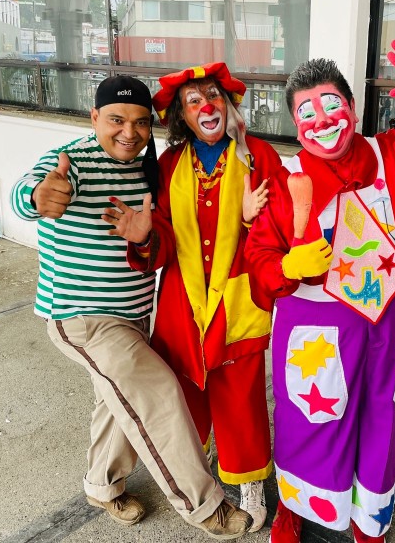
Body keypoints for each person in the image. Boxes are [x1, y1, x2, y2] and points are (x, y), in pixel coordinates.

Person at [245, 33, 395, 543]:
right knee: (313, 428)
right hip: (316, 333)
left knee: (383, 425)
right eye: (307, 112)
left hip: (388, 325)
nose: (322, 120)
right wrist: (289, 264)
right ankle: (300, 517)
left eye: (332, 104)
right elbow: (257, 263)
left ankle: (368, 525)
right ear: (294, 123)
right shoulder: (286, 182)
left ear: (352, 107)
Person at [9, 74, 253, 540]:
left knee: (116, 400)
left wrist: (147, 237)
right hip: (84, 317)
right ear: (94, 117)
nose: (129, 132)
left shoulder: (149, 167)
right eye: (117, 120)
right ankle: (205, 507)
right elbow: (31, 190)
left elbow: (160, 241)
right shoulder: (71, 163)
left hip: (138, 315)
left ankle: (101, 484)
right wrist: (38, 197)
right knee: (157, 393)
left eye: (141, 122)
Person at [104, 63, 282, 532]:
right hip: (183, 297)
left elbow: (282, 227)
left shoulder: (258, 155)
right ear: (182, 116)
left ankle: (248, 479)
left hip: (237, 294)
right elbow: (160, 235)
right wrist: (144, 238)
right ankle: (194, 472)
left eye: (213, 96)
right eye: (194, 100)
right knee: (184, 385)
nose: (207, 105)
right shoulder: (169, 164)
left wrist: (250, 221)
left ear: (228, 104)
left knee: (240, 389)